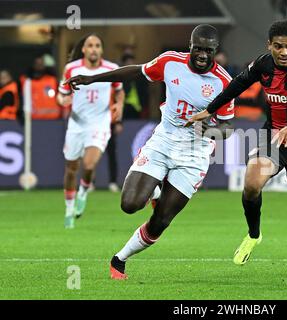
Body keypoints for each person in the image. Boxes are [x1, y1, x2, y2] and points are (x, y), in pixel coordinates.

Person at [66, 24, 234, 280]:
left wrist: (207, 130)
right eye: (197, 48)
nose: (202, 55)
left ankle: (120, 259)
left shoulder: (224, 82)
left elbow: (227, 128)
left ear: (215, 51)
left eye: (207, 50)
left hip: (194, 153)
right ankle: (156, 190)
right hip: (163, 141)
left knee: (162, 220)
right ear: (190, 46)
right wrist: (92, 79)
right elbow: (135, 72)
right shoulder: (170, 62)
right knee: (129, 204)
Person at [187, 21, 287, 265]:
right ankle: (254, 235)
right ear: (269, 45)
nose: (284, 52)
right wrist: (211, 109)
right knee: (252, 183)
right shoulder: (263, 64)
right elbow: (238, 85)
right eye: (278, 46)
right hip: (272, 135)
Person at [57, 34, 124, 229]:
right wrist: (64, 101)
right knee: (71, 169)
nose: (94, 49)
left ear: (101, 50)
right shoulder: (72, 68)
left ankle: (83, 193)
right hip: (77, 123)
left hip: (100, 123)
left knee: (89, 164)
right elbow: (62, 94)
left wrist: (119, 104)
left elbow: (119, 89)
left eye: (97, 45)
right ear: (84, 49)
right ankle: (69, 209)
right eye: (90, 45)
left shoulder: (111, 69)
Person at [20, 55, 61, 120]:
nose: (39, 66)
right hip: (32, 120)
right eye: (37, 64)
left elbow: (62, 98)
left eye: (41, 64)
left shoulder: (52, 80)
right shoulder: (26, 81)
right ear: (33, 65)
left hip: (53, 119)